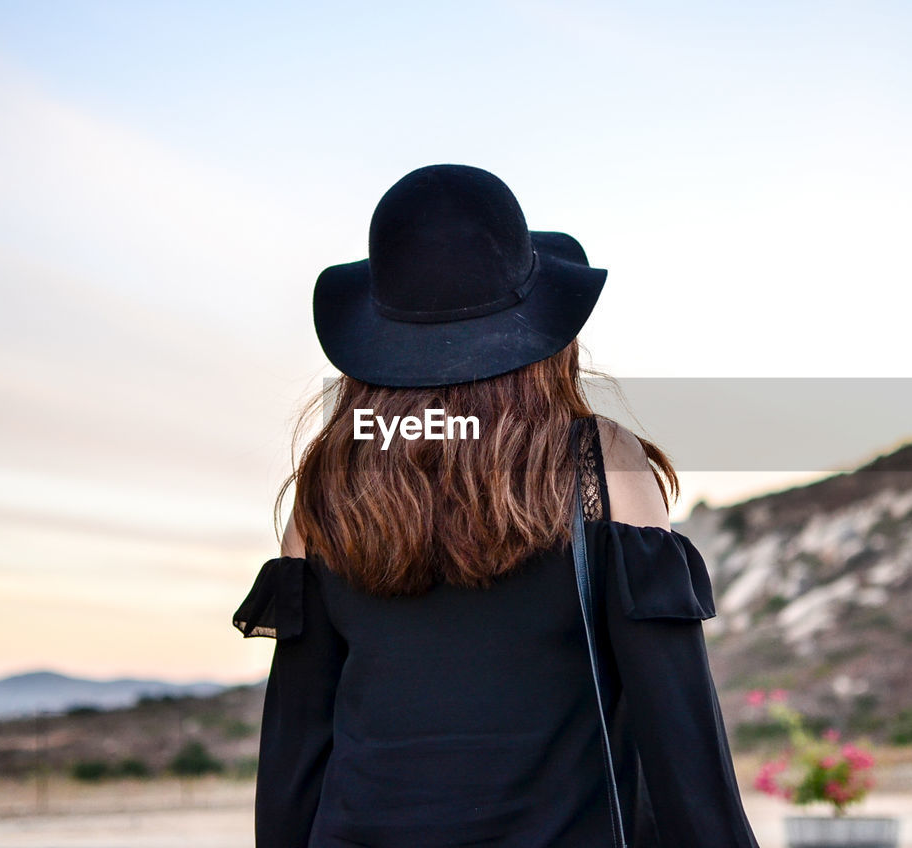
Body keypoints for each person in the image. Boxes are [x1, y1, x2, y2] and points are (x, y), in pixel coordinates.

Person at [232, 164, 760, 847]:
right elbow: (682, 747)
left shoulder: (330, 483)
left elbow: (294, 757)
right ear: (542, 330)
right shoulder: (600, 465)